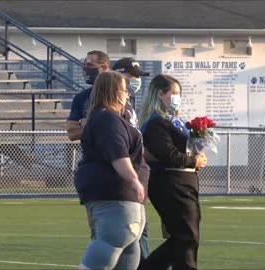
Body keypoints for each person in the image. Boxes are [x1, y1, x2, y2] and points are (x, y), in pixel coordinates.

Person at [75, 71, 149, 269]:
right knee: (115, 237)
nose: (128, 95)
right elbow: (118, 155)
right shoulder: (108, 119)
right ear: (115, 92)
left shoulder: (110, 118)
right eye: (125, 90)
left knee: (129, 248)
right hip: (115, 191)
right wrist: (133, 179)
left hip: (120, 194)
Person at [138, 74, 207, 270]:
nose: (178, 97)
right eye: (174, 93)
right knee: (186, 236)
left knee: (184, 236)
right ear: (161, 94)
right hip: (171, 182)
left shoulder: (172, 120)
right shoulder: (156, 122)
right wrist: (194, 160)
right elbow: (167, 154)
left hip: (182, 180)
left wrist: (198, 138)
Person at [112, 57, 151, 266]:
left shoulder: (129, 104)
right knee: (126, 236)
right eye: (132, 76)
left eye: (138, 77)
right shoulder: (114, 108)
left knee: (140, 233)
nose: (136, 81)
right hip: (124, 179)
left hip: (135, 174)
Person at [65, 50, 110, 141]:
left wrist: (86, 124)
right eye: (85, 65)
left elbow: (121, 128)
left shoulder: (119, 94)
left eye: (90, 65)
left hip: (116, 154)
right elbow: (72, 133)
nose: (85, 68)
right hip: (90, 153)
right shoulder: (81, 97)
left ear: (104, 67)